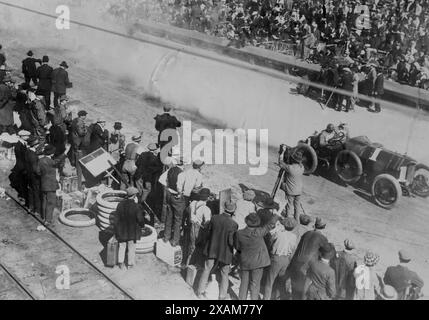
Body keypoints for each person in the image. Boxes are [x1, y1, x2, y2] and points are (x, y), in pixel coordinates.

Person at [197, 200, 238, 300]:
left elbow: (208, 233)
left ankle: (199, 293)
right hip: (225, 252)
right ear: (233, 211)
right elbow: (231, 242)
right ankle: (222, 296)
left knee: (206, 270)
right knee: (225, 274)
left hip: (212, 248)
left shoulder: (214, 218)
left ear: (224, 208)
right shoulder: (233, 224)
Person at [234, 212, 274, 300]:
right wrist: (276, 215)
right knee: (255, 284)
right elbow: (270, 224)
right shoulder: (259, 232)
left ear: (246, 221)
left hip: (244, 261)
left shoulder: (239, 233)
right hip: (258, 263)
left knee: (244, 283)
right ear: (257, 222)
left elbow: (237, 247)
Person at [288, 217, 329, 300]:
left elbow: (298, 248)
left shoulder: (306, 233)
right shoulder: (322, 238)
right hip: (307, 268)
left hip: (296, 264)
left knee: (295, 289)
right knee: (305, 291)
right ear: (324, 227)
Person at [35, 144, 70, 225]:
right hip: (51, 185)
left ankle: (43, 216)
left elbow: (38, 172)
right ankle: (48, 220)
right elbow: (58, 160)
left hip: (43, 184)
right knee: (51, 202)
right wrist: (66, 151)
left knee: (44, 201)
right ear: (52, 153)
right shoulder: (51, 162)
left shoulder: (40, 160)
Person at [264, 216, 297, 300]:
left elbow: (270, 242)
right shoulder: (294, 236)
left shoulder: (278, 233)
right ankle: (278, 297)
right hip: (286, 259)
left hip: (276, 258)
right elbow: (293, 248)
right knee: (281, 280)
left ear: (284, 225)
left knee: (270, 281)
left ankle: (267, 298)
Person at [113, 187, 146, 270]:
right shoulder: (136, 206)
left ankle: (121, 263)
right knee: (131, 248)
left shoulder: (120, 205)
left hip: (122, 231)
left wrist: (116, 230)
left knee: (122, 246)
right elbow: (140, 219)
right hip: (132, 232)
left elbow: (116, 219)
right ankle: (130, 265)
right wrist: (142, 226)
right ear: (134, 195)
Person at [184, 188, 212, 267]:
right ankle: (193, 264)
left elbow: (187, 210)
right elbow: (207, 223)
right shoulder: (206, 209)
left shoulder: (193, 203)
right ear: (208, 197)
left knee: (191, 245)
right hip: (199, 229)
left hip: (191, 226)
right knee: (197, 247)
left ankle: (187, 263)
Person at [278, 146, 304, 221]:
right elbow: (300, 163)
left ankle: (288, 220)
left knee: (289, 205)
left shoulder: (290, 168)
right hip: (299, 190)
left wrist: (282, 152)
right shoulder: (302, 167)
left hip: (291, 191)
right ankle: (297, 220)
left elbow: (280, 163)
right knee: (297, 206)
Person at [24, 136, 42, 215]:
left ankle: (30, 208)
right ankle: (37, 210)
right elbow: (36, 169)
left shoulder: (27, 152)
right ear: (35, 145)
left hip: (28, 175)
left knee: (30, 191)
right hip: (34, 177)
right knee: (36, 193)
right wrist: (41, 174)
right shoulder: (33, 156)